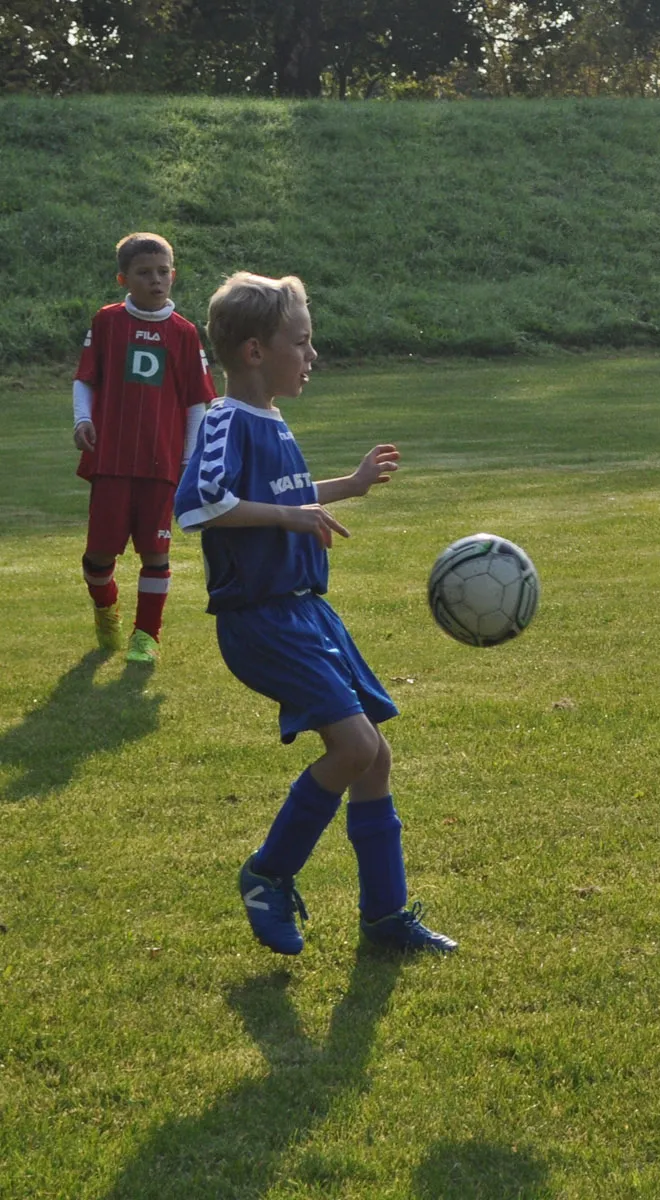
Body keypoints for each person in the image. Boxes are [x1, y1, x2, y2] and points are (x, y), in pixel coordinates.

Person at [173, 271, 455, 955]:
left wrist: (347, 486)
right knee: (353, 747)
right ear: (254, 351)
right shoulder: (224, 419)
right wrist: (289, 516)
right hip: (262, 619)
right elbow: (197, 505)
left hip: (307, 614)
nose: (312, 354)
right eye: (300, 342)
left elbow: (285, 493)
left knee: (374, 756)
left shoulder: (270, 417)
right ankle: (267, 874)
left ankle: (386, 917)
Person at [73, 232, 216, 663]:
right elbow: (85, 378)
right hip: (112, 459)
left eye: (162, 271)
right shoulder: (108, 322)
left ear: (173, 275)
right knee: (99, 555)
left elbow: (197, 401)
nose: (155, 280)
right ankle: (106, 608)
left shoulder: (185, 333)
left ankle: (146, 636)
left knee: (156, 552)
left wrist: (189, 458)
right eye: (144, 273)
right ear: (123, 279)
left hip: (162, 463)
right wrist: (82, 419)